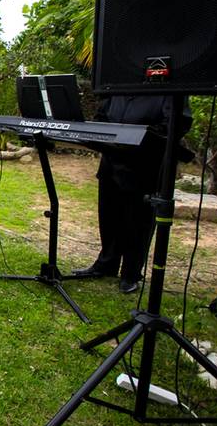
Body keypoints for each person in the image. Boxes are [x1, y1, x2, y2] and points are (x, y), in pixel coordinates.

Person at [73, 94, 191, 294]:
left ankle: (131, 273)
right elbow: (101, 118)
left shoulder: (168, 92)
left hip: (144, 170)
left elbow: (176, 125)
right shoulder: (115, 92)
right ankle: (106, 264)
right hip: (110, 165)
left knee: (138, 222)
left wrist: (139, 136)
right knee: (109, 216)